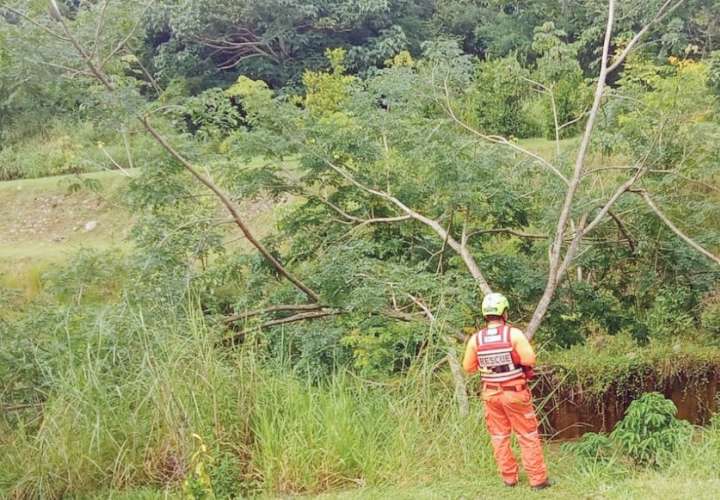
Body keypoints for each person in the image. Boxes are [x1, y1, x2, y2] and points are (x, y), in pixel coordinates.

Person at [462, 292, 551, 489]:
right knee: (527, 435)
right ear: (504, 313)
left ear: (485, 314)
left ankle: (509, 478)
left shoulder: (476, 339)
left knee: (499, 437)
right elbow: (529, 360)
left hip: (491, 394)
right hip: (515, 393)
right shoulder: (513, 334)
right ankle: (538, 480)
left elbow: (468, 367)